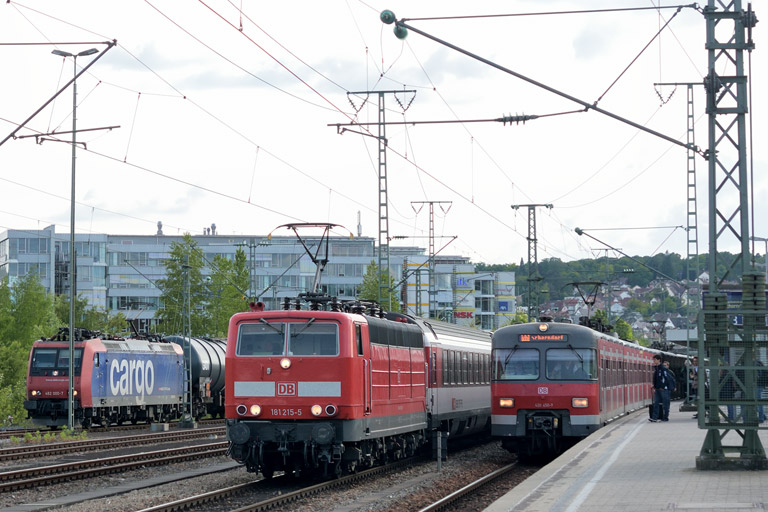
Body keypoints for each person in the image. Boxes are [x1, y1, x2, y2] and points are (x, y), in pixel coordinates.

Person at [650, 354, 676, 422]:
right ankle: (654, 417)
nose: (654, 361)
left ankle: (665, 417)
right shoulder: (657, 368)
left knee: (665, 404)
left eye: (655, 359)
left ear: (659, 360)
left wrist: (663, 386)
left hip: (664, 389)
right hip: (657, 389)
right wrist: (655, 386)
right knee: (656, 403)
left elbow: (665, 378)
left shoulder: (663, 368)